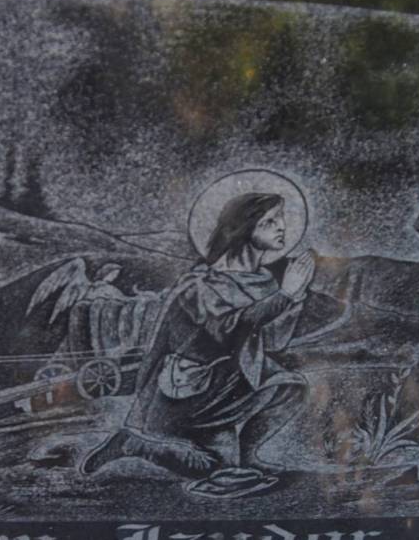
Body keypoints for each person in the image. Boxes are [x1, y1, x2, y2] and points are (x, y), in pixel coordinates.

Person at [80, 191, 313, 497]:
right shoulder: (202, 285)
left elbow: (271, 338)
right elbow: (229, 328)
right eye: (269, 221)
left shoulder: (264, 279)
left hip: (230, 381)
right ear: (243, 229)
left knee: (290, 387)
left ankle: (248, 456)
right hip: (188, 391)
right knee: (210, 469)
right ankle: (133, 443)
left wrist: (292, 300)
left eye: (280, 218)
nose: (282, 226)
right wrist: (285, 296)